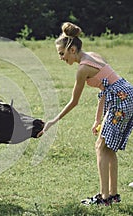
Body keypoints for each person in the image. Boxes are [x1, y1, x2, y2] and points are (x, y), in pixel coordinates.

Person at [42, 22, 133, 206]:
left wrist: (53, 120)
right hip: (126, 95)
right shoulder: (93, 56)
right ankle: (113, 195)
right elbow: (105, 87)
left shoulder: (83, 68)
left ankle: (104, 197)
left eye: (61, 53)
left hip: (119, 100)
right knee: (108, 148)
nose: (61, 58)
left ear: (72, 50)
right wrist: (97, 119)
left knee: (100, 146)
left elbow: (74, 102)